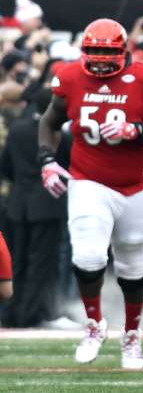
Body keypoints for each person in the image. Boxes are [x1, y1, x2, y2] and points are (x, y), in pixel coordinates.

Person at [37, 19, 143, 369]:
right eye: (95, 53)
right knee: (88, 256)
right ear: (84, 52)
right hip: (88, 178)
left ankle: (132, 336)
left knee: (134, 263)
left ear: (123, 52)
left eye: (109, 53)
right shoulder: (70, 76)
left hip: (137, 183)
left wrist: (135, 130)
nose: (102, 61)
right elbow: (49, 121)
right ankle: (94, 325)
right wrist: (46, 160)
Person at [0, 87, 67, 327]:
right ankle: (32, 314)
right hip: (48, 203)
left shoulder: (17, 129)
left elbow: (5, 165)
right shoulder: (61, 135)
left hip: (18, 203)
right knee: (42, 263)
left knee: (16, 262)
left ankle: (10, 313)